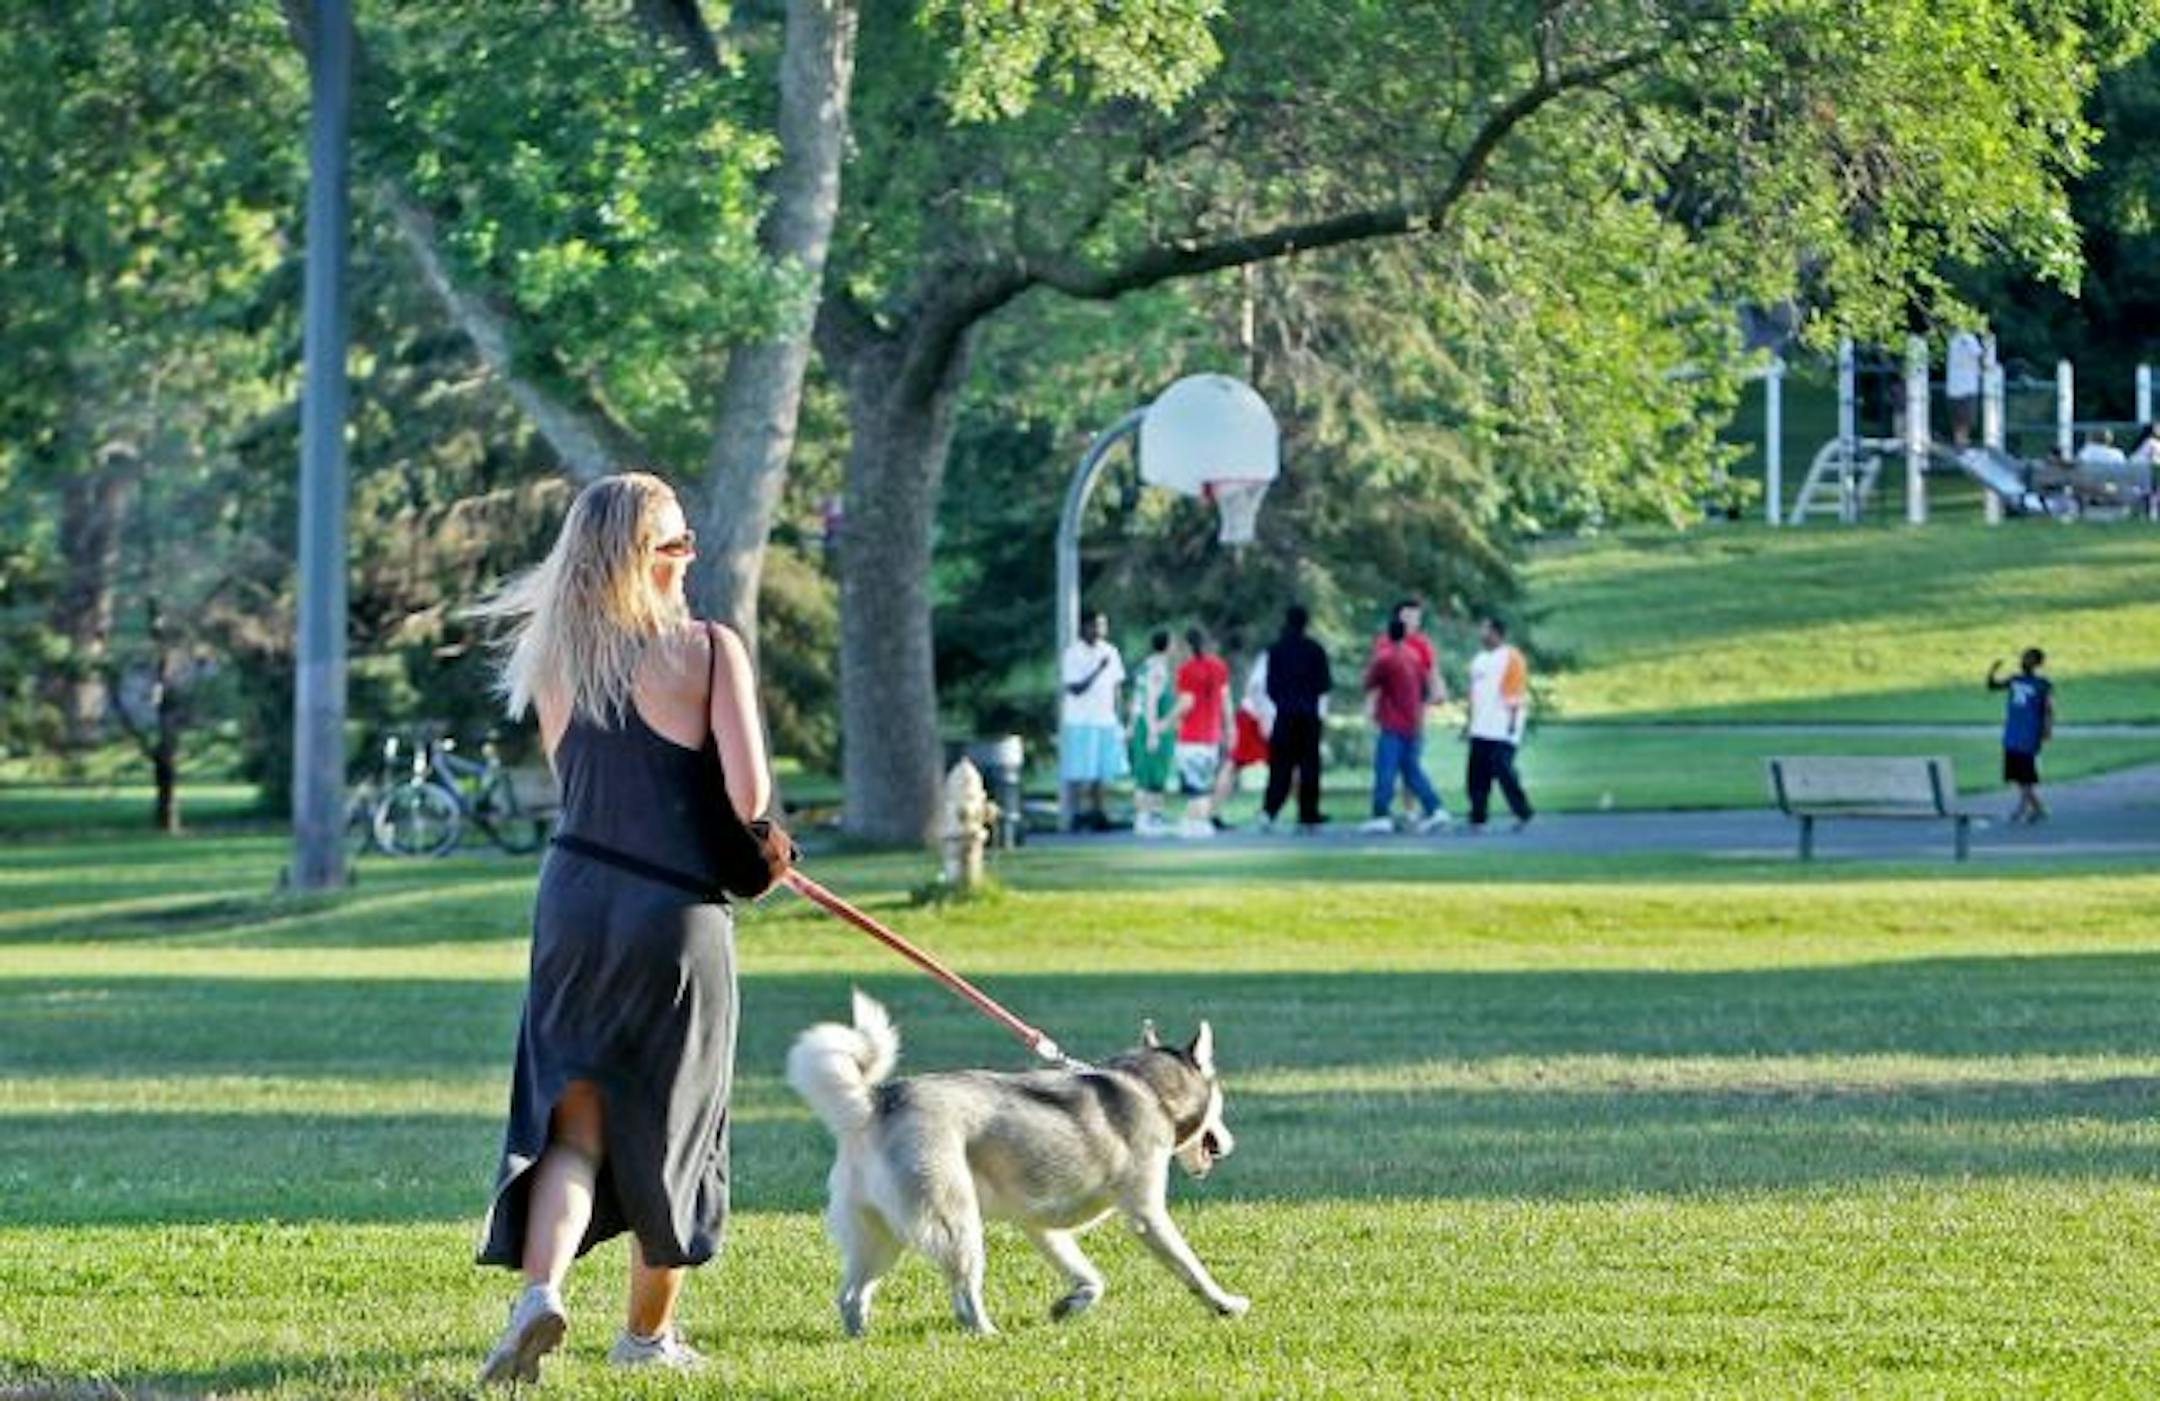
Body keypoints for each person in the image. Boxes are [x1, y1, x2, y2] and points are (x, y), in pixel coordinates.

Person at [465, 472, 794, 1383]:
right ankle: (646, 1340)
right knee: (673, 1133)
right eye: (676, 546)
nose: (691, 560)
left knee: (574, 1129)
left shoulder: (554, 656)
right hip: (673, 915)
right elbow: (749, 796)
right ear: (637, 557)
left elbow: (591, 784)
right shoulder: (708, 650)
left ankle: (539, 1295)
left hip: (573, 902)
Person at [1360, 617, 1451, 834]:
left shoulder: (1385, 657)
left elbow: (1368, 682)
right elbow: (1426, 688)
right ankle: (1435, 808)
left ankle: (1381, 814)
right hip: (1414, 722)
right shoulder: (1414, 657)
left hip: (1392, 721)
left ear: (1388, 634)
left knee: (1386, 768)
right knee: (1411, 770)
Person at [1262, 605, 1333, 832]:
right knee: (1309, 765)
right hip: (1308, 714)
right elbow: (1324, 685)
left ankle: (1270, 810)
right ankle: (1308, 812)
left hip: (1284, 714)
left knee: (1280, 765)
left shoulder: (1276, 650)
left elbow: (1270, 686)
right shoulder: (1315, 650)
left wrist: (1283, 700)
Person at [1463, 616, 1533, 832]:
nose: (1481, 633)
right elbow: (1475, 694)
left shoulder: (1511, 657)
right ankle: (1478, 818)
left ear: (1496, 633)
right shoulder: (1479, 660)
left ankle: (1522, 811)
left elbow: (1515, 692)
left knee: (1503, 771)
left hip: (1502, 727)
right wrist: (1469, 723)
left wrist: (1512, 724)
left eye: (1485, 629)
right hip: (1481, 727)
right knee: (1476, 775)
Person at [1059, 611, 1127, 831]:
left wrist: (1119, 715)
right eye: (1095, 625)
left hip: (1104, 718)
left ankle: (1099, 812)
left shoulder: (1110, 652)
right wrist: (1098, 669)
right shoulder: (1073, 654)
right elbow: (1074, 688)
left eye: (1102, 625)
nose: (1099, 630)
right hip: (1080, 719)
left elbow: (1116, 686)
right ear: (1084, 627)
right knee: (1079, 770)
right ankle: (1076, 813)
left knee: (1101, 770)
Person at [1173, 626, 1232, 838]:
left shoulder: (1186, 670)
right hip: (1211, 736)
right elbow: (1226, 701)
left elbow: (1186, 702)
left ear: (1187, 646)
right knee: (1204, 783)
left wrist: (1166, 722)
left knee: (1193, 786)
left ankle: (1193, 823)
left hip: (1190, 735)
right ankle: (1199, 821)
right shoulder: (1220, 667)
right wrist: (1230, 729)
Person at [1988, 648, 2054, 824]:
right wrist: (1992, 671)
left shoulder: (2043, 684)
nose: (2024, 662)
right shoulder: (2015, 680)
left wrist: (2046, 730)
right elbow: (1993, 686)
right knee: (2017, 776)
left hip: (2029, 734)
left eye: (2029, 659)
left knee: (2026, 775)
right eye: (2024, 658)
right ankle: (2037, 808)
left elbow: (2048, 709)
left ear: (2037, 663)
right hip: (2012, 733)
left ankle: (2024, 808)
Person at [1213, 631, 1272, 825]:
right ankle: (1214, 812)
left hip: (1267, 718)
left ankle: (1301, 814)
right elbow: (1253, 688)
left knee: (1287, 766)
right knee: (1233, 764)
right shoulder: (1269, 657)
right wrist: (1263, 716)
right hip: (1254, 717)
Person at [1127, 630, 1181, 838]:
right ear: (1167, 646)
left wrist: (1132, 725)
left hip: (1144, 724)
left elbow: (1136, 701)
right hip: (1153, 725)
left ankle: (1154, 815)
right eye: (1173, 644)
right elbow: (1150, 700)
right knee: (1149, 774)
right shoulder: (1158, 669)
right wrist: (1153, 732)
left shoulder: (1146, 666)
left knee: (1155, 774)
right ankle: (1143, 818)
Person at [1945, 329, 1983, 447]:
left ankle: (1958, 440)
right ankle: (1962, 441)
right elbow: (1979, 354)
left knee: (1957, 418)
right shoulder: (1969, 338)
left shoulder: (1952, 340)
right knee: (1966, 418)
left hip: (1953, 387)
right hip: (1968, 386)